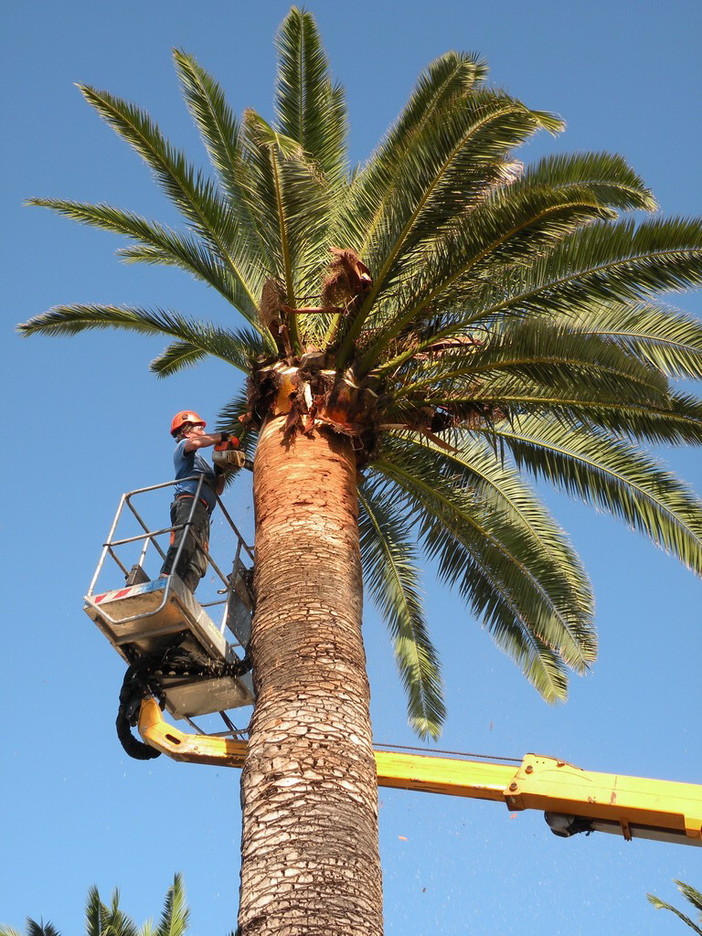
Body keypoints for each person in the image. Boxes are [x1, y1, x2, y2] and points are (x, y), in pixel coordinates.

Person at [159, 410, 234, 593]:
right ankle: (166, 578)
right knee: (185, 539)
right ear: (185, 431)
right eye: (198, 426)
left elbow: (218, 489)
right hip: (189, 502)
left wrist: (220, 469)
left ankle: (186, 591)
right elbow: (196, 443)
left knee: (200, 556)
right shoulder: (183, 448)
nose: (202, 429)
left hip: (204, 512)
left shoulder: (202, 464)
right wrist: (222, 437)